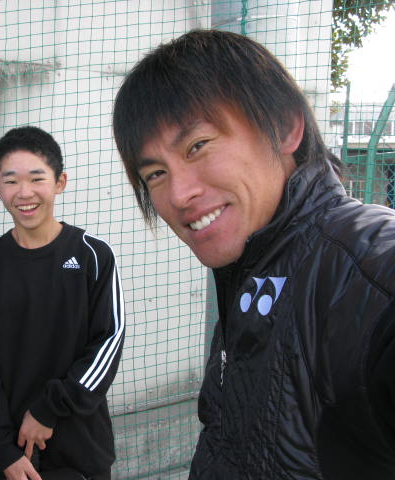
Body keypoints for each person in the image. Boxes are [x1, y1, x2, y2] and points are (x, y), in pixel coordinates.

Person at [113, 29, 395, 479]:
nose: (180, 195)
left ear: (284, 127)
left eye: (198, 146)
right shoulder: (251, 266)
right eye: (157, 174)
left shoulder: (365, 271)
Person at [0, 126, 125, 480]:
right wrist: (1, 447)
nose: (24, 193)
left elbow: (108, 343)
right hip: (12, 460)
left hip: (83, 451)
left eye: (36, 178)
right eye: (11, 181)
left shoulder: (93, 256)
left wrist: (48, 409)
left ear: (60, 182)